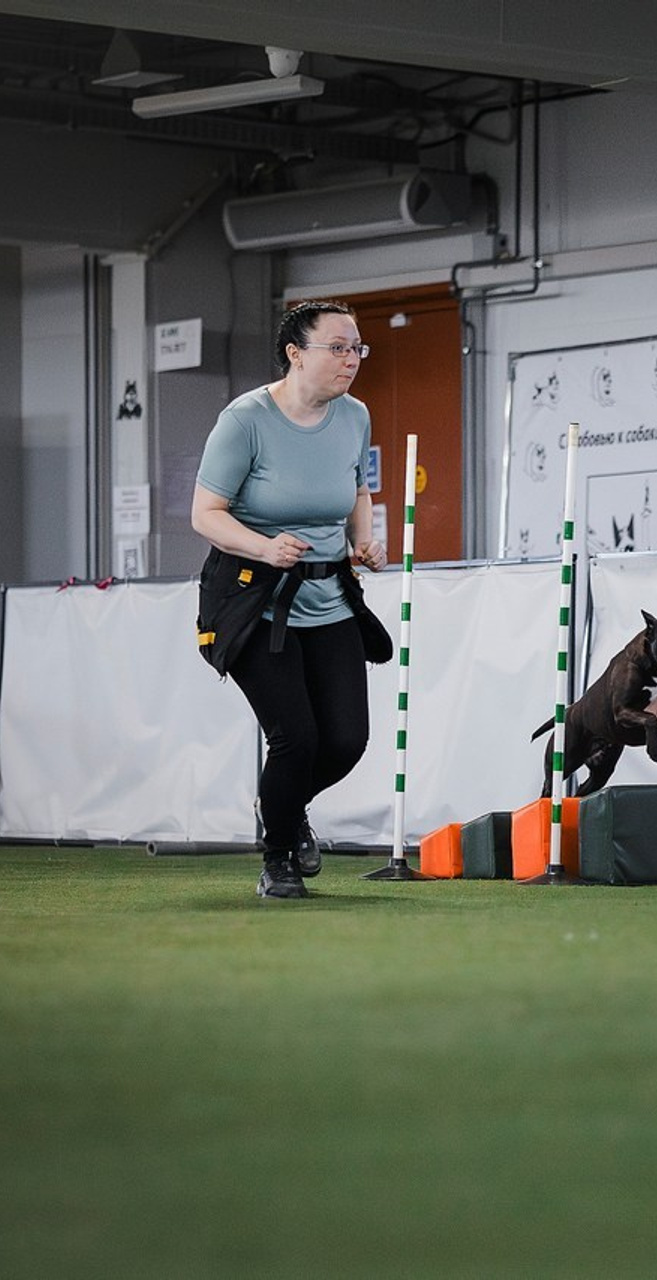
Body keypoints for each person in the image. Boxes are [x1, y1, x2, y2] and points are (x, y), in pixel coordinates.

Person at [191, 299, 388, 900]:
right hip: (255, 600)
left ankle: (281, 804)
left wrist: (363, 541)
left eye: (357, 348)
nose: (351, 359)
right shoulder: (244, 419)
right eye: (338, 347)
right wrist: (263, 547)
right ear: (295, 353)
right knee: (295, 739)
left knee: (346, 741)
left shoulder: (354, 417)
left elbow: (356, 489)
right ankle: (277, 857)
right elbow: (204, 514)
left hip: (329, 597)